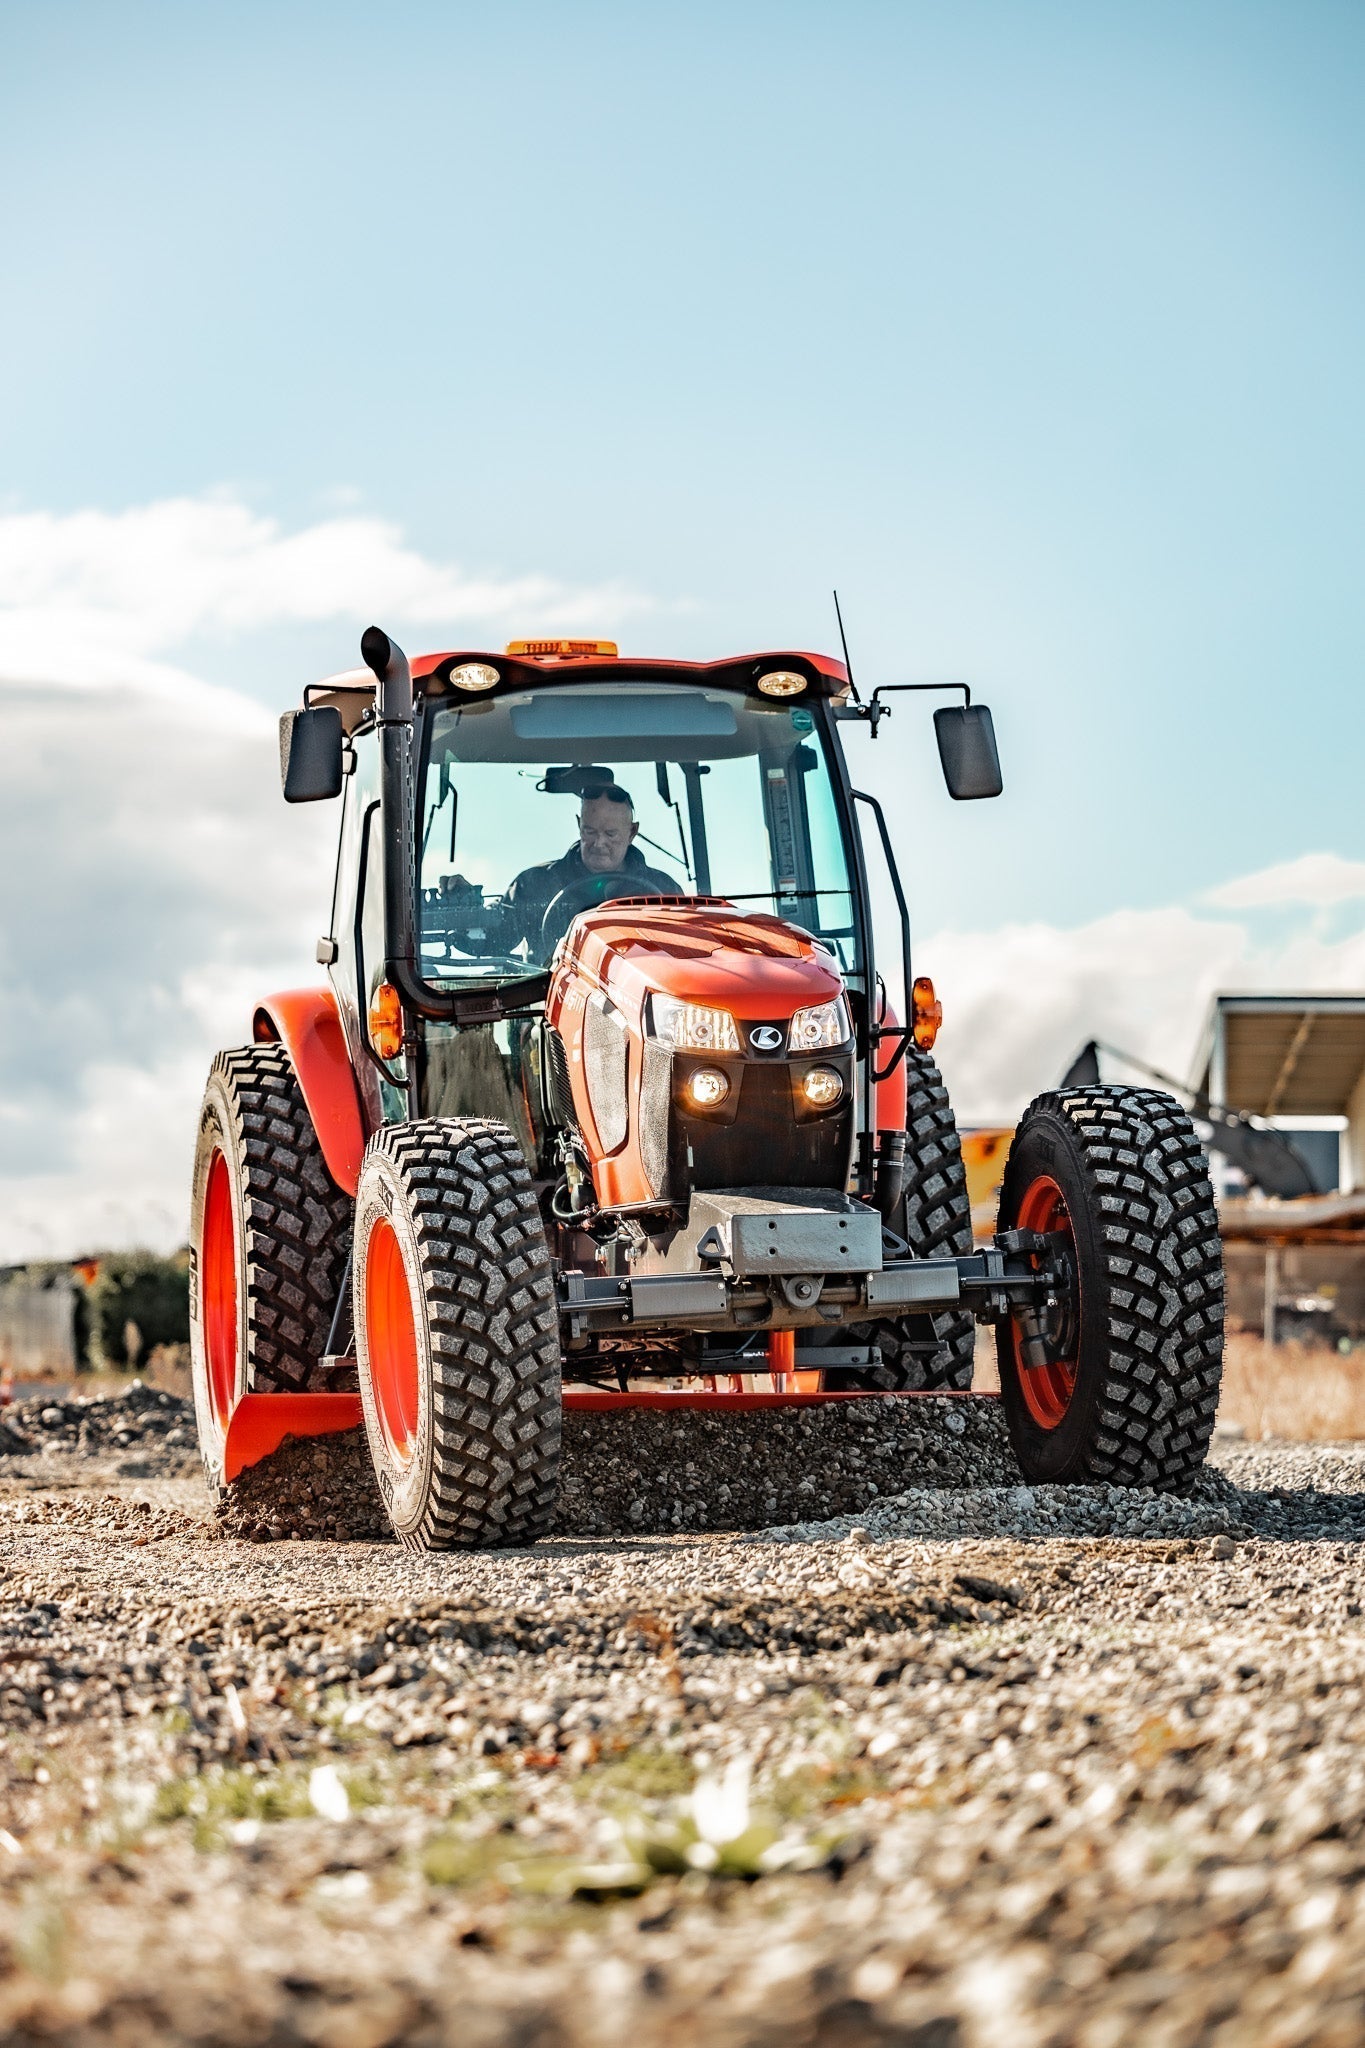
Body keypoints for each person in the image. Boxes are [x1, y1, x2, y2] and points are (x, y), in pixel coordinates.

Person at [502, 783, 681, 955]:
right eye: (590, 831)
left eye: (610, 834)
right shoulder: (534, 884)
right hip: (551, 985)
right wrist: (476, 915)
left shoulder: (664, 892)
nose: (599, 843)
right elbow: (492, 938)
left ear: (632, 832)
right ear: (579, 825)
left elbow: (686, 951)